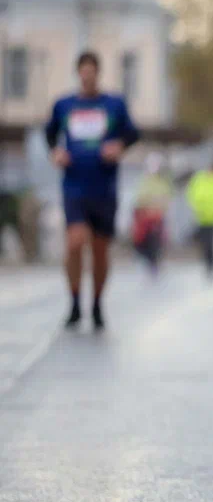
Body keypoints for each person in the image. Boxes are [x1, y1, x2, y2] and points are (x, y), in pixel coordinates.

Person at [45, 50, 139, 331]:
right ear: (78, 73)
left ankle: (96, 303)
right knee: (75, 242)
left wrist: (119, 147)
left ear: (97, 73)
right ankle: (74, 301)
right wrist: (56, 153)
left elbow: (132, 133)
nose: (88, 76)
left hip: (105, 187)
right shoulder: (64, 105)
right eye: (83, 71)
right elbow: (49, 134)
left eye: (92, 71)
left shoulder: (114, 104)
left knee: (100, 250)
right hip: (74, 186)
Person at [131, 153, 175, 276]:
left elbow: (167, 197)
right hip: (146, 217)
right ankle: (149, 259)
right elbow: (140, 198)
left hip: (158, 216)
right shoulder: (145, 181)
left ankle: (155, 261)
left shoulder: (163, 182)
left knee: (157, 241)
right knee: (143, 241)